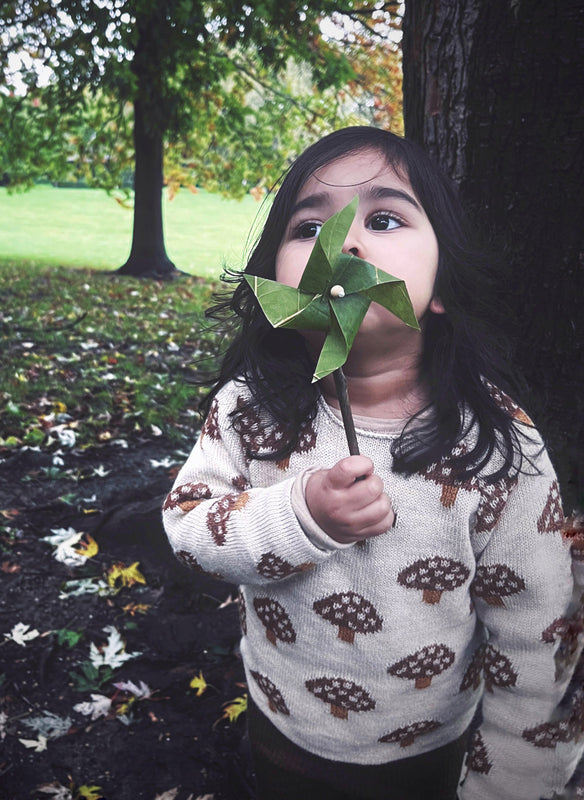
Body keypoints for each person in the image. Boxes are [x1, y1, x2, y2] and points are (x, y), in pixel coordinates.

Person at [162, 127, 582, 800]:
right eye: (309, 228)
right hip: (286, 733)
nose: (347, 245)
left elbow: (536, 631)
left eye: (383, 219)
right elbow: (188, 528)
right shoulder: (250, 408)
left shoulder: (500, 442)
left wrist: (514, 782)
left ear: (441, 287)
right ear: (276, 281)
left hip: (433, 750)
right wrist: (301, 514)